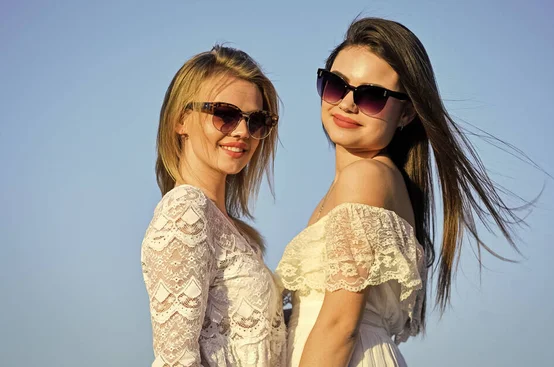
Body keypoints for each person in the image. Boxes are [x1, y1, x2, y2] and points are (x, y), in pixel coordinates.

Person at [276, 17, 530, 367]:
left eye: (372, 96)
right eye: (336, 85)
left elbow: (339, 326)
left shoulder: (365, 178)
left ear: (407, 112)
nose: (347, 104)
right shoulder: (363, 181)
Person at [141, 45, 285, 367]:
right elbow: (176, 360)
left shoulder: (231, 230)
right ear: (181, 120)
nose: (242, 132)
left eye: (257, 120)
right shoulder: (186, 210)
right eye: (225, 114)